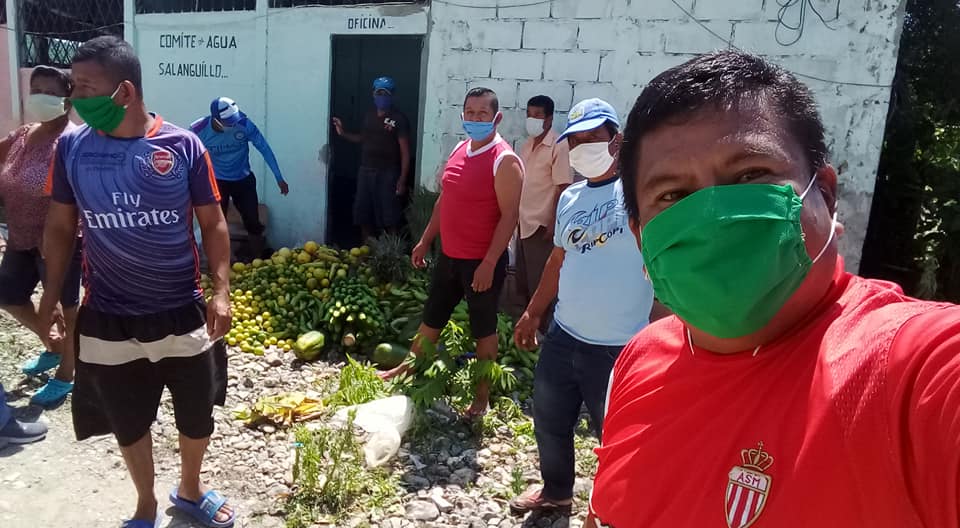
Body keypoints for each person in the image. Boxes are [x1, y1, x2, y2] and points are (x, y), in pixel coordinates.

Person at [586, 51, 960, 528]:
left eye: (750, 175)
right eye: (673, 195)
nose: (714, 217)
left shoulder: (911, 372)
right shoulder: (639, 360)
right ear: (641, 237)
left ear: (825, 193)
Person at [40, 36, 234, 528]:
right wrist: (51, 295)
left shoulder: (183, 147)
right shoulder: (71, 148)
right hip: (108, 315)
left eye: (86, 87)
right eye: (73, 86)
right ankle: (145, 503)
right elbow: (60, 227)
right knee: (127, 419)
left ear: (124, 92)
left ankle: (190, 489)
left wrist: (221, 291)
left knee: (197, 414)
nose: (75, 97)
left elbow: (213, 222)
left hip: (181, 308)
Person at [509, 99, 661, 515]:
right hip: (564, 335)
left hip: (618, 348)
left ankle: (617, 508)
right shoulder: (571, 198)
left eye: (594, 136)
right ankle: (557, 492)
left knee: (616, 435)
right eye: (576, 141)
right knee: (549, 420)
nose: (584, 147)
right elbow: (558, 260)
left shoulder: (641, 196)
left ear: (617, 140)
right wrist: (533, 313)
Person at [381, 87, 523, 418]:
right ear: (462, 115)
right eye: (470, 113)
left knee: (484, 329)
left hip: (481, 262)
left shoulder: (504, 161)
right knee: (432, 317)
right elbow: (446, 200)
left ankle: (481, 398)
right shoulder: (460, 149)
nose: (475, 119)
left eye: (482, 113)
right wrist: (425, 239)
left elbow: (510, 216)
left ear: (497, 118)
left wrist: (489, 262)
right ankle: (407, 369)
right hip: (450, 255)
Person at [0, 66, 82, 407]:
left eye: (50, 92)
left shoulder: (72, 141)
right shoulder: (23, 135)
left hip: (59, 241)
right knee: (8, 295)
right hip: (21, 236)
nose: (40, 97)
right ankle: (54, 345)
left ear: (67, 101)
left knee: (68, 307)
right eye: (36, 90)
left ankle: (68, 372)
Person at [191, 96, 287, 260]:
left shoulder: (245, 124)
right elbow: (187, 156)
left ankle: (257, 260)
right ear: (215, 119)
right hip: (216, 182)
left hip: (243, 180)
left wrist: (279, 177)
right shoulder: (198, 130)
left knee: (252, 222)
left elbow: (264, 148)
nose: (233, 125)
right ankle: (220, 261)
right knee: (217, 223)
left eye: (234, 120)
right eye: (228, 122)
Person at [515, 95, 572, 333]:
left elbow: (563, 186)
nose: (532, 119)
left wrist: (553, 222)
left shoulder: (559, 146)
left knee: (541, 281)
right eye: (529, 114)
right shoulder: (527, 145)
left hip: (542, 224)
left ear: (549, 119)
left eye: (538, 115)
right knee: (523, 279)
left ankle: (544, 330)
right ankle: (525, 327)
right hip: (523, 222)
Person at [332, 76, 412, 241]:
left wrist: (402, 179)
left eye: (386, 94)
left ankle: (392, 252)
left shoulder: (399, 119)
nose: (382, 97)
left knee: (390, 216)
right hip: (366, 171)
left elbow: (405, 152)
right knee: (363, 213)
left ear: (392, 96)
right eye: (379, 93)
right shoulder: (369, 116)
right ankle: (367, 249)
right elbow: (363, 138)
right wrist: (343, 133)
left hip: (388, 173)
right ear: (373, 94)